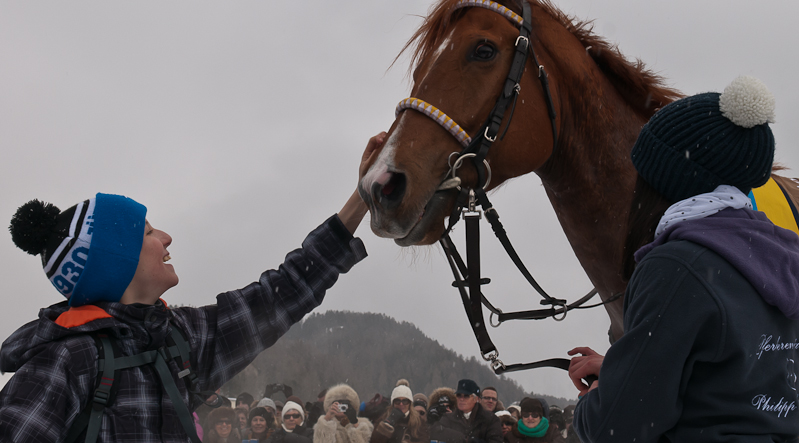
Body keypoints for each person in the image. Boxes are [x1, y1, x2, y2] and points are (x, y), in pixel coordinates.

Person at [0, 133, 385, 443]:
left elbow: (281, 293)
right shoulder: (62, 364)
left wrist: (361, 198)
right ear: (118, 263)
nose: (167, 238)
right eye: (149, 232)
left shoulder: (177, 340)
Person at [568, 76, 799, 440]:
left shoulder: (677, 267)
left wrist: (594, 401)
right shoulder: (784, 254)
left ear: (666, 178)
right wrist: (622, 369)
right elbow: (734, 378)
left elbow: (616, 426)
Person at [431, 379, 503, 443]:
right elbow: (436, 432)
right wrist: (465, 439)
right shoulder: (448, 418)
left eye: (466, 396)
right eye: (459, 395)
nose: (461, 399)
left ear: (476, 399)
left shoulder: (491, 420)